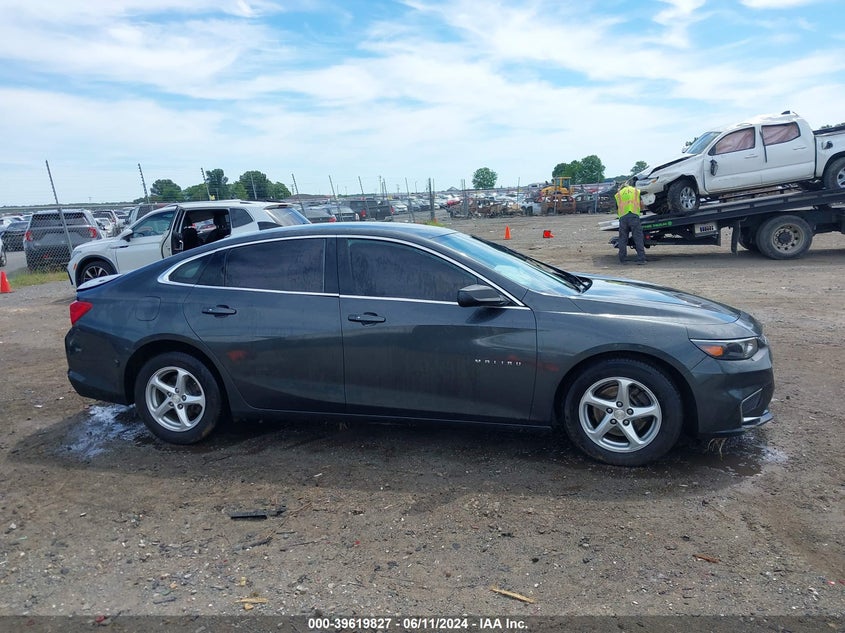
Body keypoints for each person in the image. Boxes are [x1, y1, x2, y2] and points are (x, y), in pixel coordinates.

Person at [615, 178, 646, 265]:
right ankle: (641, 259)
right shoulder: (635, 191)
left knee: (623, 239)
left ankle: (623, 259)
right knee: (638, 238)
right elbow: (642, 204)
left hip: (623, 218)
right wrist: (641, 211)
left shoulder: (618, 194)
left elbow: (617, 208)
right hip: (634, 216)